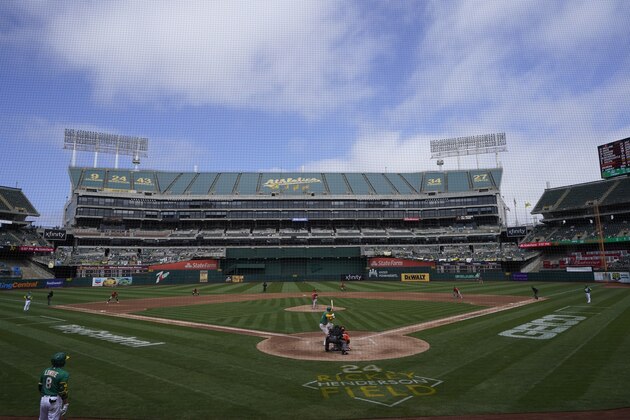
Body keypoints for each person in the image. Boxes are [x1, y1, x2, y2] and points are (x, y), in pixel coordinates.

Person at [39, 352, 70, 420]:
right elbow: (63, 391)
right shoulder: (64, 374)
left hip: (43, 400)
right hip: (54, 401)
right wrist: (66, 404)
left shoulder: (45, 371)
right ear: (62, 362)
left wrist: (45, 397)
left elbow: (40, 386)